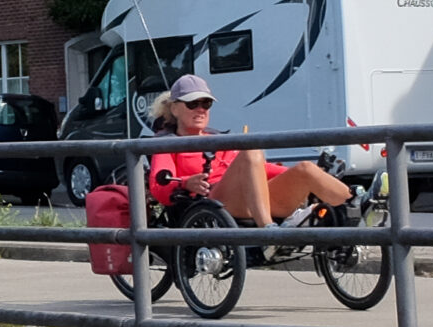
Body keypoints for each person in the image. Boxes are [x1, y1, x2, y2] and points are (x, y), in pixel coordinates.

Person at [144, 74, 353, 225]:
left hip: (246, 198)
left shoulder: (218, 139)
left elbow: (256, 167)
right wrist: (185, 182)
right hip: (212, 201)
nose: (200, 109)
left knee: (305, 169)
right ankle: (267, 230)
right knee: (250, 149)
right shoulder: (167, 143)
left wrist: (292, 175)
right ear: (174, 108)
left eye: (206, 104)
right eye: (192, 104)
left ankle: (352, 204)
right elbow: (158, 186)